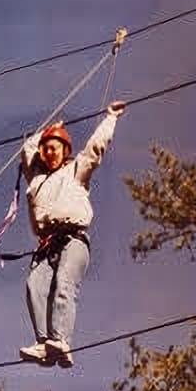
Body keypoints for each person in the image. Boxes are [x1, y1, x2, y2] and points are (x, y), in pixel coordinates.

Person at [19, 100, 127, 368]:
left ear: (65, 150)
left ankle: (61, 341)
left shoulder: (76, 171)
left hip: (73, 239)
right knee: (35, 286)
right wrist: (48, 130)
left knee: (65, 283)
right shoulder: (36, 179)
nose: (49, 153)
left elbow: (95, 149)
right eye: (45, 149)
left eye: (54, 148)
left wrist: (110, 118)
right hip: (46, 244)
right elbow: (26, 149)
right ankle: (44, 343)